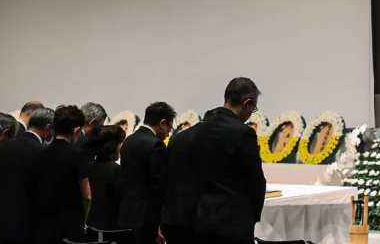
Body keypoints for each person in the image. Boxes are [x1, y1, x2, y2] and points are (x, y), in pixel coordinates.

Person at [161, 78, 266, 244]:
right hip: (226, 225)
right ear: (246, 103)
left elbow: (169, 180)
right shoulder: (242, 133)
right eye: (253, 108)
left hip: (182, 224)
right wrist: (251, 216)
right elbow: (254, 180)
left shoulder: (181, 138)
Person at [31, 105, 91, 244]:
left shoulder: (39, 155)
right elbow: (87, 195)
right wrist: (84, 220)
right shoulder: (77, 156)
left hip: (45, 223)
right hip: (71, 223)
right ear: (76, 130)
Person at [0, 108, 54, 244]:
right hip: (31, 227)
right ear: (48, 128)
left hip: (2, 223)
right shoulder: (43, 152)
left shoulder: (4, 147)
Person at [118, 102, 175, 244]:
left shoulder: (128, 141)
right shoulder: (156, 145)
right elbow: (158, 187)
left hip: (126, 213)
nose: (168, 132)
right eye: (169, 127)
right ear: (163, 123)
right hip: (147, 217)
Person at [86, 125, 126, 230]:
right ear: (113, 146)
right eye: (119, 143)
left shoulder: (87, 167)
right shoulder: (117, 170)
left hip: (90, 226)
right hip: (111, 228)